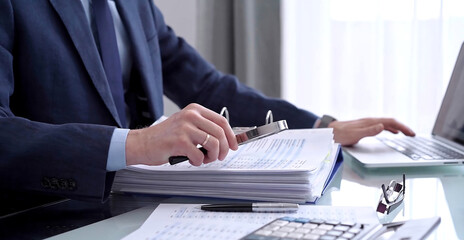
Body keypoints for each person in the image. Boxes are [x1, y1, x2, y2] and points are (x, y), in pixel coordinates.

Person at [0, 0, 415, 202]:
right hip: (46, 214)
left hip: (139, 208)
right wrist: (137, 145)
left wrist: (319, 127)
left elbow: (206, 87)